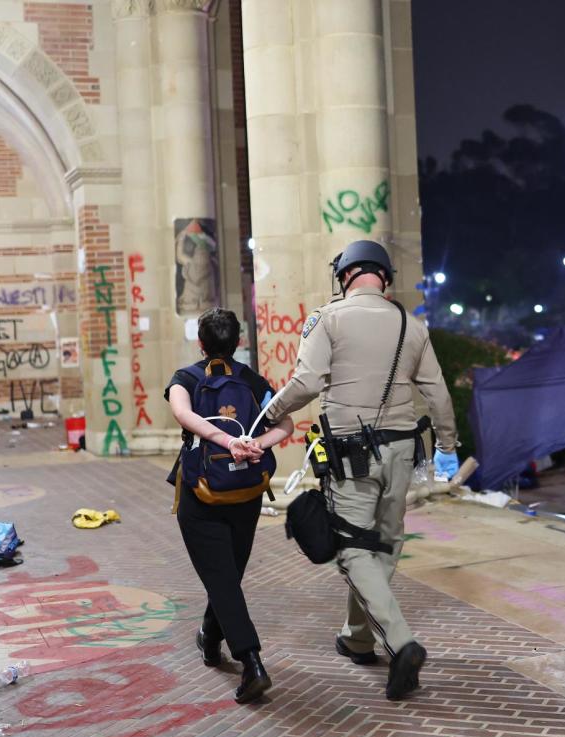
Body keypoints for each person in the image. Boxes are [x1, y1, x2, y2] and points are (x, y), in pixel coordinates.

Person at [262, 239, 459, 700]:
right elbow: (440, 395)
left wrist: (271, 412)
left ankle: (401, 642)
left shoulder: (325, 318)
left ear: (344, 275)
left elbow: (307, 382)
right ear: (384, 276)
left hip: (351, 455)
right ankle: (357, 636)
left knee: (352, 549)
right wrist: (448, 443)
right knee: (384, 541)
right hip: (404, 453)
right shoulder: (413, 325)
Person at [166, 308, 294, 703]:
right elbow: (286, 424)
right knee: (226, 577)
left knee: (221, 580)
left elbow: (183, 414)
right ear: (238, 342)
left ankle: (251, 661)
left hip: (200, 494)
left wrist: (222, 441)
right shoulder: (253, 381)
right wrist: (255, 445)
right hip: (246, 493)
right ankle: (209, 639)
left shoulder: (185, 378)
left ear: (200, 343)